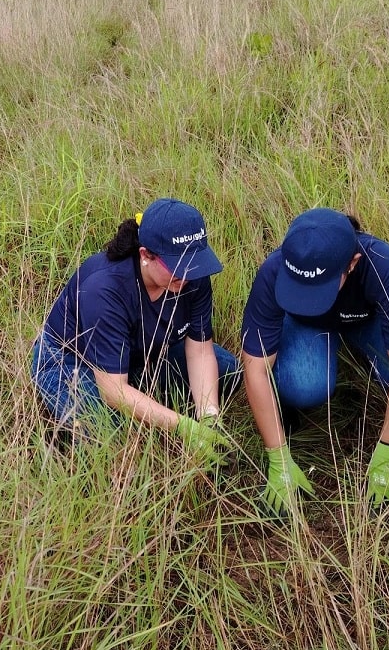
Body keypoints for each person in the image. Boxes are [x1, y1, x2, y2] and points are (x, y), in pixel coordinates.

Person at [240, 208, 389, 513]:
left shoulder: (383, 264)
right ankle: (296, 392)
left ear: (352, 264)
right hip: (310, 328)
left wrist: (387, 454)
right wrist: (277, 457)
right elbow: (254, 367)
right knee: (303, 385)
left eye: (317, 289)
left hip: (365, 322)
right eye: (300, 289)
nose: (308, 295)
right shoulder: (274, 270)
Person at [32, 198, 241, 467]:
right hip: (70, 364)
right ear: (145, 255)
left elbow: (200, 351)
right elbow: (113, 389)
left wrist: (209, 418)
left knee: (229, 370)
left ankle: (145, 395)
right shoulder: (105, 289)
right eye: (178, 266)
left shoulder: (191, 276)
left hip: (140, 355)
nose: (188, 275)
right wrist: (183, 427)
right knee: (112, 435)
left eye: (195, 263)